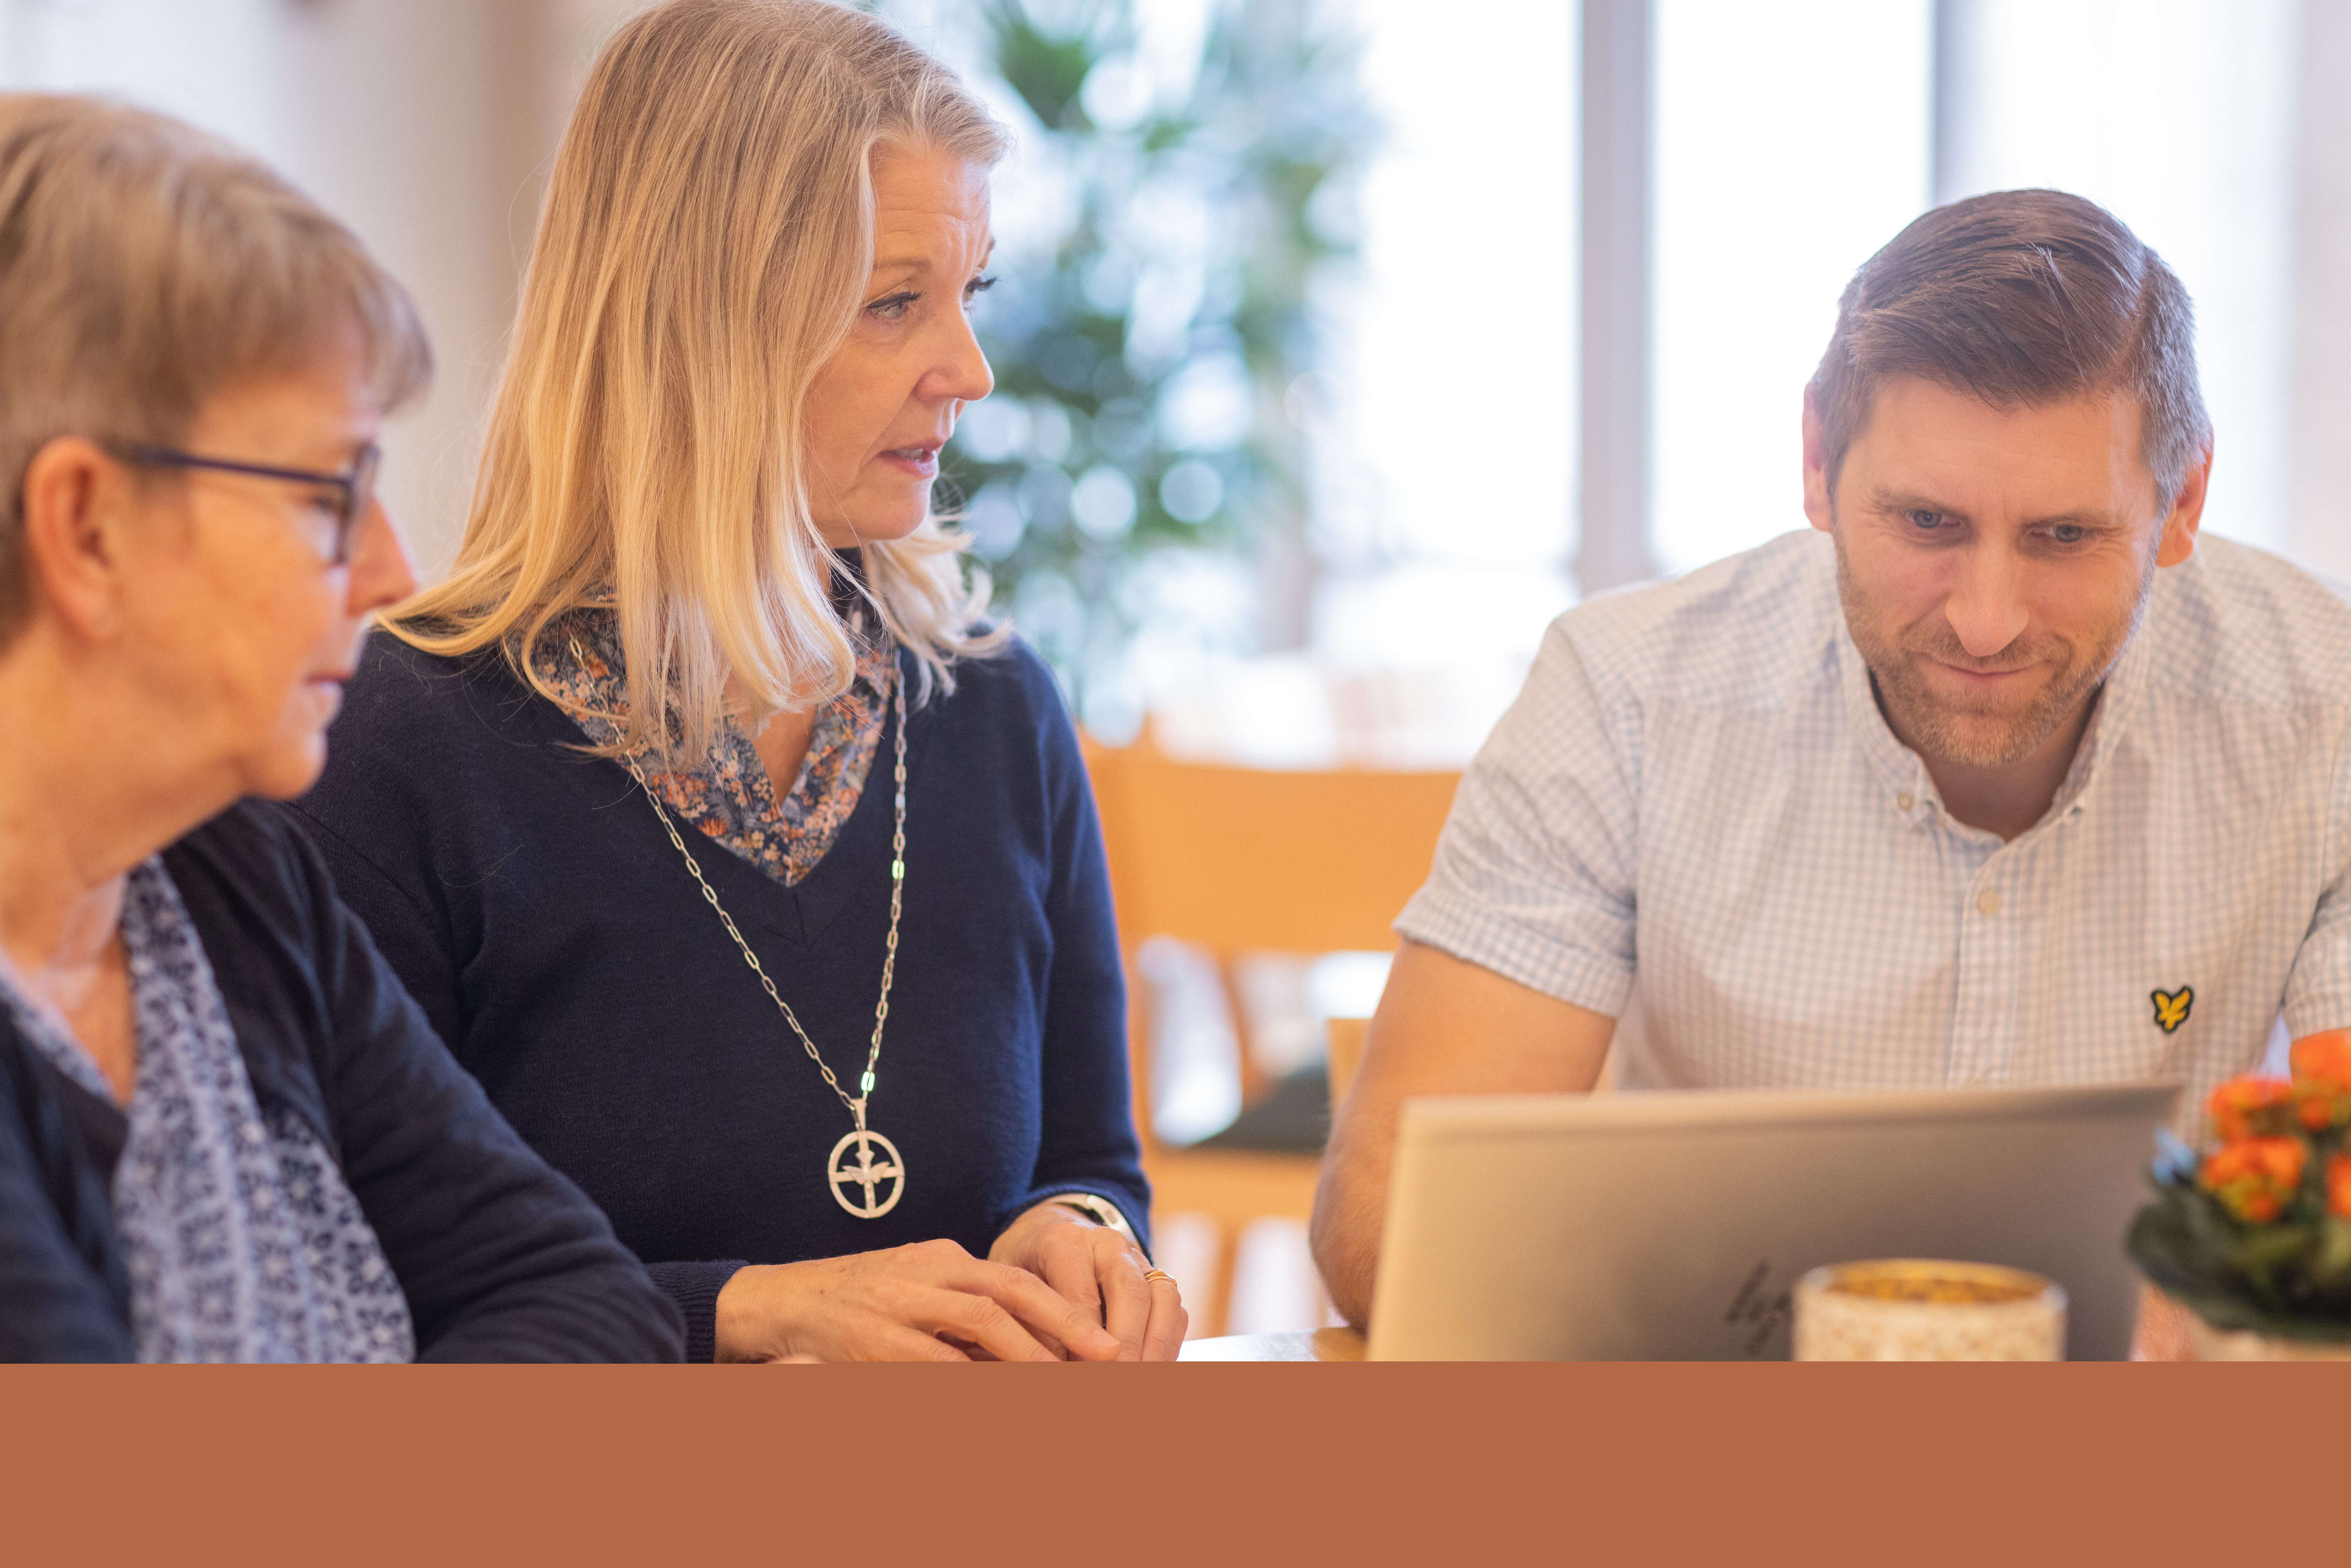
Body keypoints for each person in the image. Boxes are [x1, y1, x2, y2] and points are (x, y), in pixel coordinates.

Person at [293, 0, 1183, 1363]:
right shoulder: (401, 742)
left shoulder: (997, 709)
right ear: (701, 331)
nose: (973, 370)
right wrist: (737, 1311)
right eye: (897, 303)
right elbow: (340, 1293)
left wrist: (1082, 1236)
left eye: (969, 292)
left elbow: (1087, 1156)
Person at [1313, 189, 2351, 1328]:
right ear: (1816, 461)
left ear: (2181, 498)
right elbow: (1391, 1221)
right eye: (1926, 525)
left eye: (2062, 535)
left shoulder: (2322, 705)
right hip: (1716, 1430)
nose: (1985, 620)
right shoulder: (1626, 694)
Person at [0, 95, 684, 1361]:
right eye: (333, 495)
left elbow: (586, 1294)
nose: (392, 571)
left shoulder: (229, 882)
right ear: (87, 528)